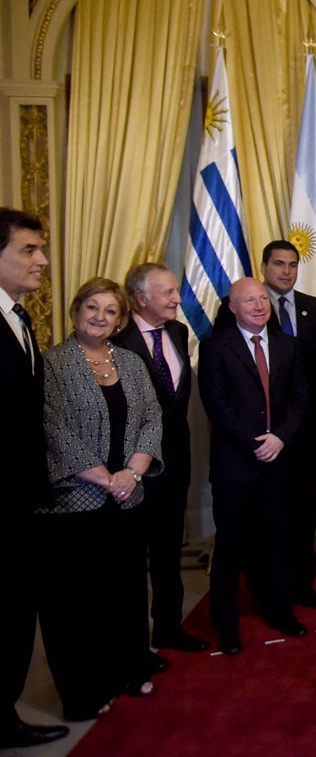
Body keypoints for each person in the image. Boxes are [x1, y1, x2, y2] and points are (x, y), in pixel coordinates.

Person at [38, 278, 162, 718]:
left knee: (124, 593)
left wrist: (133, 473)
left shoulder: (131, 362)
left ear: (121, 319)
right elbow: (52, 428)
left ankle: (127, 669)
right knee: (78, 603)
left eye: (110, 311)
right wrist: (105, 478)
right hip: (75, 502)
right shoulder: (53, 363)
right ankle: (84, 692)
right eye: (92, 307)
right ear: (76, 310)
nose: (100, 317)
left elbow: (152, 419)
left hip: (127, 498)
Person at [199, 277, 309, 654]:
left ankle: (279, 609)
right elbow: (216, 405)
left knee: (277, 541)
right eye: (250, 300)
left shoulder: (289, 345)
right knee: (230, 547)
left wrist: (280, 437)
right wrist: (255, 443)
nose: (260, 305)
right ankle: (226, 622)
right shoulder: (215, 347)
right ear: (233, 308)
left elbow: (301, 400)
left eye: (264, 298)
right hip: (236, 465)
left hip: (279, 461)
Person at [114, 264, 209, 652]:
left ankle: (169, 627)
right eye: (168, 292)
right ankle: (132, 644)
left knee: (168, 548)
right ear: (140, 298)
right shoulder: (117, 340)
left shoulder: (178, 332)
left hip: (175, 460)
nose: (178, 299)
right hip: (131, 465)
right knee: (131, 558)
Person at [0, 208, 68, 748]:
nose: (42, 260)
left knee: (16, 616)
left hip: (21, 499)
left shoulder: (19, 318)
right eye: (28, 249)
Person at [257, 241, 316, 609]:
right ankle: (270, 587)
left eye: (292, 264)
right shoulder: (247, 305)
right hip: (264, 431)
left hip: (308, 428)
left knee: (303, 507)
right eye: (279, 264)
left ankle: (301, 582)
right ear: (263, 267)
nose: (286, 271)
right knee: (269, 511)